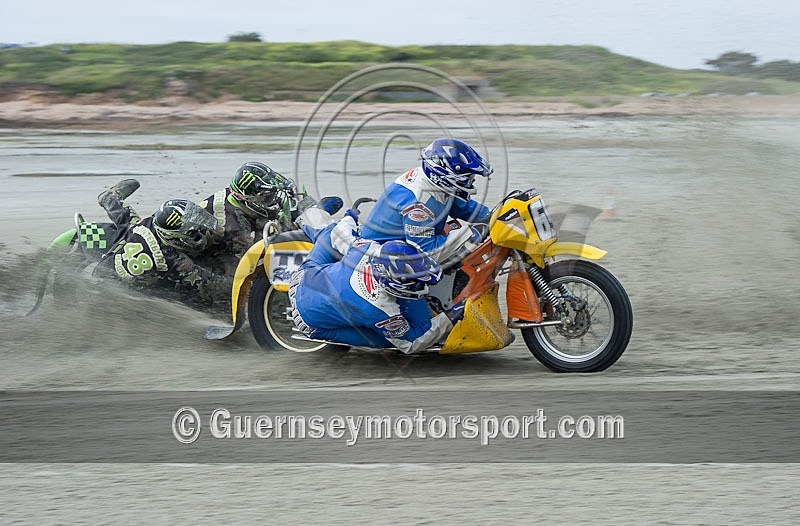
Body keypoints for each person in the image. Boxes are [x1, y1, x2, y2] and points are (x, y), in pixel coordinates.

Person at [288, 228, 466, 354]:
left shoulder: (368, 248)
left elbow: (341, 231)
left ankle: (306, 219)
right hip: (307, 320)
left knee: (330, 230)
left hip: (304, 275)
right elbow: (411, 343)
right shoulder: (378, 309)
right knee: (385, 340)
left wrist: (350, 215)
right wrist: (450, 317)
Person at [359, 138, 493, 266]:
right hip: (377, 260)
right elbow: (427, 253)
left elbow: (458, 205)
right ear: (445, 174)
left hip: (405, 244)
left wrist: (493, 217)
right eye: (468, 177)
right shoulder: (418, 203)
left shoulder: (433, 182)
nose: (471, 181)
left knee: (457, 232)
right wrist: (473, 232)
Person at [197, 161, 342, 274]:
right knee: (253, 276)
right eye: (268, 198)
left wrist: (309, 211)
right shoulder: (233, 227)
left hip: (220, 243)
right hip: (207, 264)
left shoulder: (237, 198)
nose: (274, 201)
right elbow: (254, 262)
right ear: (249, 199)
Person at [94, 197, 231, 307]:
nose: (199, 231)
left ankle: (110, 199)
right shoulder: (173, 260)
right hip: (116, 286)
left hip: (111, 262)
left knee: (131, 225)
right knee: (186, 294)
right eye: (193, 232)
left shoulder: (153, 221)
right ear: (175, 238)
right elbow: (211, 281)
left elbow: (131, 224)